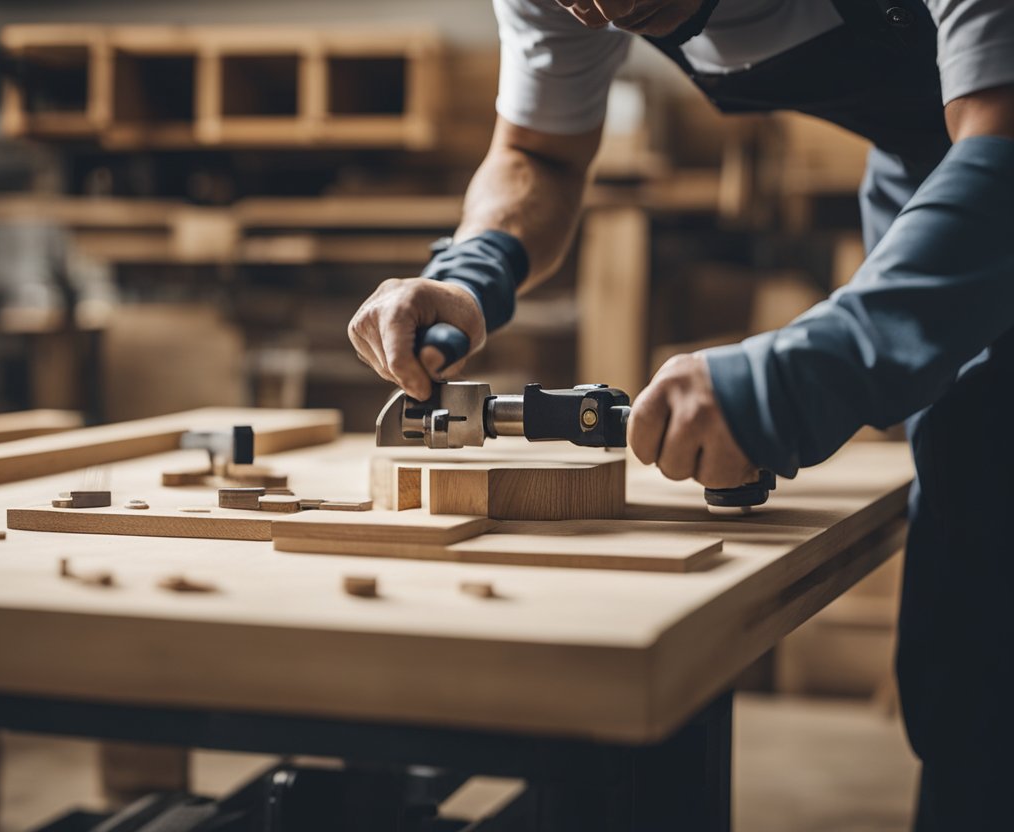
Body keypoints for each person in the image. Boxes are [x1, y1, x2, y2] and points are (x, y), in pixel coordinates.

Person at [346, 1, 1014, 827]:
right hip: (936, 175)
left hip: (991, 175)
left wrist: (801, 379)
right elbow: (536, 153)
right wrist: (473, 265)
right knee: (972, 655)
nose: (593, 9)